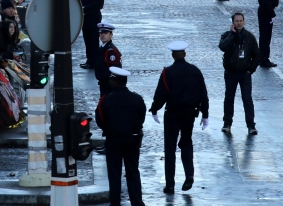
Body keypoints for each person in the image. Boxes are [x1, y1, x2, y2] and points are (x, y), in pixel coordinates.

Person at [149, 41, 208, 194]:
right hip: (190, 114)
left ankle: (170, 185)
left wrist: (155, 109)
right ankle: (189, 176)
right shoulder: (195, 71)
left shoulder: (167, 72)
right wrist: (205, 114)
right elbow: (203, 93)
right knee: (186, 143)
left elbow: (162, 93)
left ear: (173, 55)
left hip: (172, 113)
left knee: (170, 148)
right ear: (185, 54)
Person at [95, 67, 146, 206]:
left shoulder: (106, 100)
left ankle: (115, 203)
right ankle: (137, 202)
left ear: (115, 81)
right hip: (132, 139)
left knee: (114, 174)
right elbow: (141, 117)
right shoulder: (137, 98)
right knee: (133, 172)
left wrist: (110, 128)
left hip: (113, 140)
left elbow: (100, 119)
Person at [218, 12, 259, 134]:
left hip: (244, 74)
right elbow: (223, 47)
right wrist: (232, 35)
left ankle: (251, 125)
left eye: (241, 20)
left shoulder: (250, 37)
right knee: (229, 98)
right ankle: (227, 123)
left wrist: (250, 69)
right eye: (236, 21)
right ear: (233, 23)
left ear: (244, 21)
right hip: (230, 73)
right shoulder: (226, 35)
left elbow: (257, 55)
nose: (239, 23)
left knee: (247, 99)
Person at [76, 0, 105, 69]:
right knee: (87, 39)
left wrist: (85, 8)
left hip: (93, 16)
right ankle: (89, 60)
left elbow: (98, 3)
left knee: (93, 39)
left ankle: (95, 61)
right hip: (84, 17)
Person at [255, 0, 280, 68]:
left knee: (266, 36)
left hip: (266, 11)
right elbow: (266, 2)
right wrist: (272, 14)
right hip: (266, 12)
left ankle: (263, 58)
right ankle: (264, 59)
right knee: (265, 36)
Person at [92, 23, 121, 96]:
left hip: (108, 83)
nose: (103, 35)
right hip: (103, 82)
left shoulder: (111, 50)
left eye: (105, 33)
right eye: (101, 33)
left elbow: (115, 69)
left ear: (111, 35)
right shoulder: (103, 48)